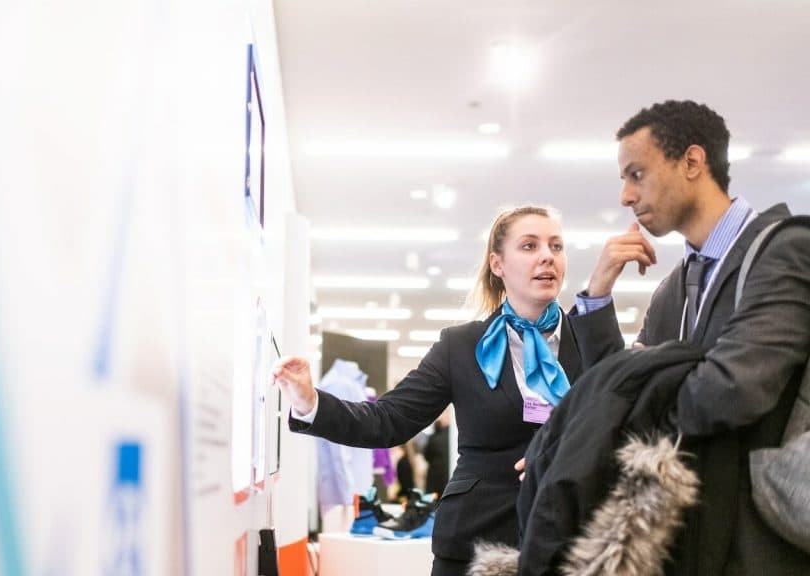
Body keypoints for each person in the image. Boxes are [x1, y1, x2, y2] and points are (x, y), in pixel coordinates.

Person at [273, 206, 613, 575]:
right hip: (475, 543)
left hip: (569, 541)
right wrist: (310, 402)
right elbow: (389, 420)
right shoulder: (461, 346)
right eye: (529, 246)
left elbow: (619, 430)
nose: (548, 256)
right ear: (497, 264)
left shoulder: (590, 338)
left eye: (556, 246)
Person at [572, 99, 810, 573]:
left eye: (636, 173)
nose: (625, 195)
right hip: (695, 541)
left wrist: (613, 419)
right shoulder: (673, 291)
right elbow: (615, 389)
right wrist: (596, 296)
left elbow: (730, 391)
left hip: (762, 546)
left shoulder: (783, 250)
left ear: (692, 162)